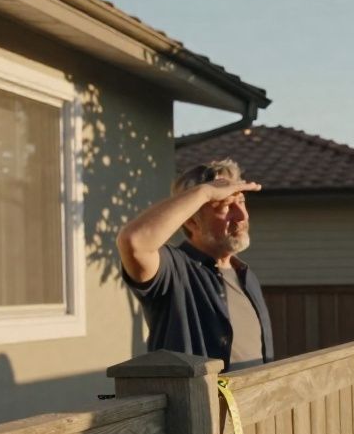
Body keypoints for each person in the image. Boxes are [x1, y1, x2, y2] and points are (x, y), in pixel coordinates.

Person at [117, 159, 274, 371]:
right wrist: (205, 193)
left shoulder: (246, 275)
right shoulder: (174, 270)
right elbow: (133, 241)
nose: (242, 216)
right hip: (197, 404)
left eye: (242, 201)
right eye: (226, 206)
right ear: (192, 221)